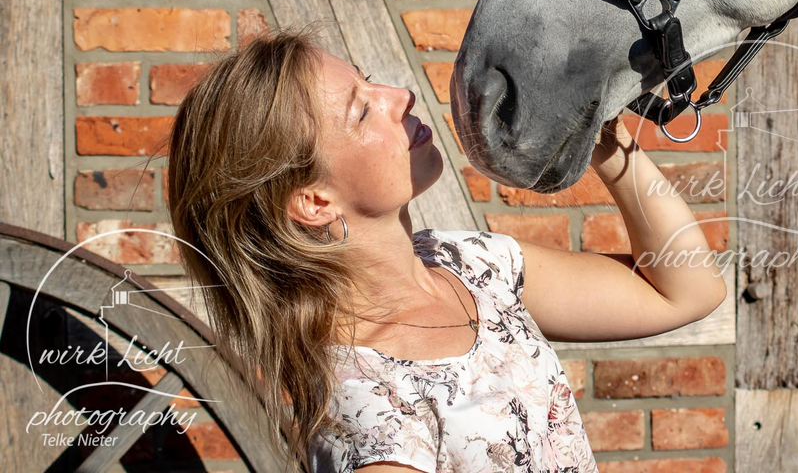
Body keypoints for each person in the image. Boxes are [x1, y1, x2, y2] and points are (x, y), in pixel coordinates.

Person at [166, 28, 728, 472]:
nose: (400, 96)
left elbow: (684, 291)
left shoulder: (471, 264)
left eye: (369, 81)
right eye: (362, 110)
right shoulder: (369, 407)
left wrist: (601, 134)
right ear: (314, 202)